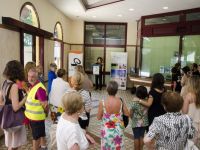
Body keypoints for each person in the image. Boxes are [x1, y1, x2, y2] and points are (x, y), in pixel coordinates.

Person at [0, 60, 27, 150]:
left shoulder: (5, 83)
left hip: (6, 119)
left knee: (10, 145)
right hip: (14, 120)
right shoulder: (14, 86)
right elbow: (15, 108)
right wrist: (25, 98)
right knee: (15, 146)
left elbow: (1, 101)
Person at [97, 80, 129, 150]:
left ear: (107, 89)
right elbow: (127, 114)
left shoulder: (102, 102)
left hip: (106, 131)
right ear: (116, 90)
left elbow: (98, 117)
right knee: (118, 147)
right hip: (118, 130)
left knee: (106, 147)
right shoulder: (121, 101)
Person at [25, 67, 48, 150]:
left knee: (36, 137)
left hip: (36, 119)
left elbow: (45, 105)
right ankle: (44, 147)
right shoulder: (33, 86)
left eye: (33, 77)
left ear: (37, 77)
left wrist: (45, 113)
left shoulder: (39, 89)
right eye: (29, 76)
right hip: (33, 117)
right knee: (39, 134)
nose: (30, 78)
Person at [182, 76, 200, 148]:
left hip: (189, 125)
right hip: (197, 126)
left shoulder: (189, 95)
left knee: (188, 146)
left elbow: (184, 112)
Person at [130, 86, 148, 150]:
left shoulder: (134, 102)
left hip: (136, 122)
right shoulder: (147, 102)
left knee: (136, 137)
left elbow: (131, 113)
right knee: (141, 136)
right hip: (144, 122)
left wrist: (132, 118)